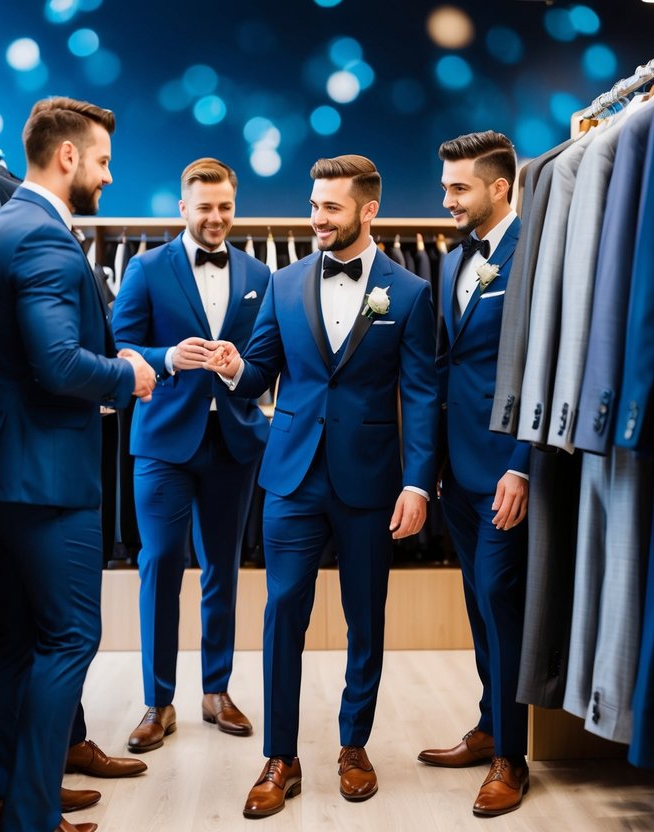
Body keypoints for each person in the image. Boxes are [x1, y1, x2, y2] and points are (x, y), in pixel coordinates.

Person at [204, 155, 438, 819]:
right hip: (291, 478)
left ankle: (353, 744)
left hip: (370, 481)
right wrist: (231, 368)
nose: (315, 217)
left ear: (368, 211)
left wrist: (418, 483)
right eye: (313, 204)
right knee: (283, 615)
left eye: (329, 208)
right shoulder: (282, 283)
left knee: (366, 619)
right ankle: (280, 757)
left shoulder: (410, 293)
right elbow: (259, 375)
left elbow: (420, 395)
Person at [0, 96, 154, 832]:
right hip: (46, 479)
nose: (107, 175)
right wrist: (128, 378)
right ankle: (30, 815)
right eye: (100, 160)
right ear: (67, 156)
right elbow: (59, 364)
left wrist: (132, 361)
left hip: (0, 470)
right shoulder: (43, 240)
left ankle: (12, 793)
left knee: (12, 639)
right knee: (70, 637)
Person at [111, 158, 270, 752]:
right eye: (204, 207)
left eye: (225, 206)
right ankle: (158, 702)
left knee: (223, 569)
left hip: (233, 442)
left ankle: (216, 690)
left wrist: (238, 370)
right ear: (183, 208)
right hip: (163, 444)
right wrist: (170, 357)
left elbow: (264, 363)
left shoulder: (259, 274)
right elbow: (120, 346)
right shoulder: (146, 267)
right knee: (159, 567)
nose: (216, 217)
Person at [418, 130, 531, 817]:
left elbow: (546, 365)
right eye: (445, 187)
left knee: (500, 598)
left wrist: (522, 468)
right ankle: (489, 723)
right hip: (455, 469)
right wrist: (427, 466)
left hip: (505, 468)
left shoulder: (532, 257)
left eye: (458, 187)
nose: (446, 199)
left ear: (497, 187)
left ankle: (512, 757)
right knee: (475, 601)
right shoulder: (449, 260)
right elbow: (441, 365)